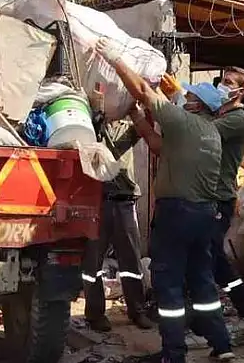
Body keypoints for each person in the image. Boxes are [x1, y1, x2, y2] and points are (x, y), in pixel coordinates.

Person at [94, 37, 236, 362]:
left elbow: (144, 92)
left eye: (190, 96)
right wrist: (136, 119)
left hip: (177, 215)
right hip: (204, 216)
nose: (184, 97)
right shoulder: (209, 133)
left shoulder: (184, 121)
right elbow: (158, 146)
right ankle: (222, 344)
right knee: (201, 281)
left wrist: (115, 58)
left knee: (169, 283)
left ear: (198, 105)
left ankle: (173, 353)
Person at [81, 85, 155, 332]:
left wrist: (143, 103)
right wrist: (95, 120)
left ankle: (138, 310)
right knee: (93, 262)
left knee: (131, 261)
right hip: (97, 201)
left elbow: (121, 145)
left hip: (124, 200)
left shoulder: (128, 127)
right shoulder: (87, 125)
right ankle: (95, 314)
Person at [208, 67, 244, 326]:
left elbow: (200, 133)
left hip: (218, 198)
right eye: (221, 80)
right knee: (213, 260)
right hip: (208, 195)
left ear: (240, 91)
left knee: (209, 260)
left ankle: (214, 321)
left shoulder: (237, 120)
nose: (222, 85)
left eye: (228, 82)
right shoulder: (219, 113)